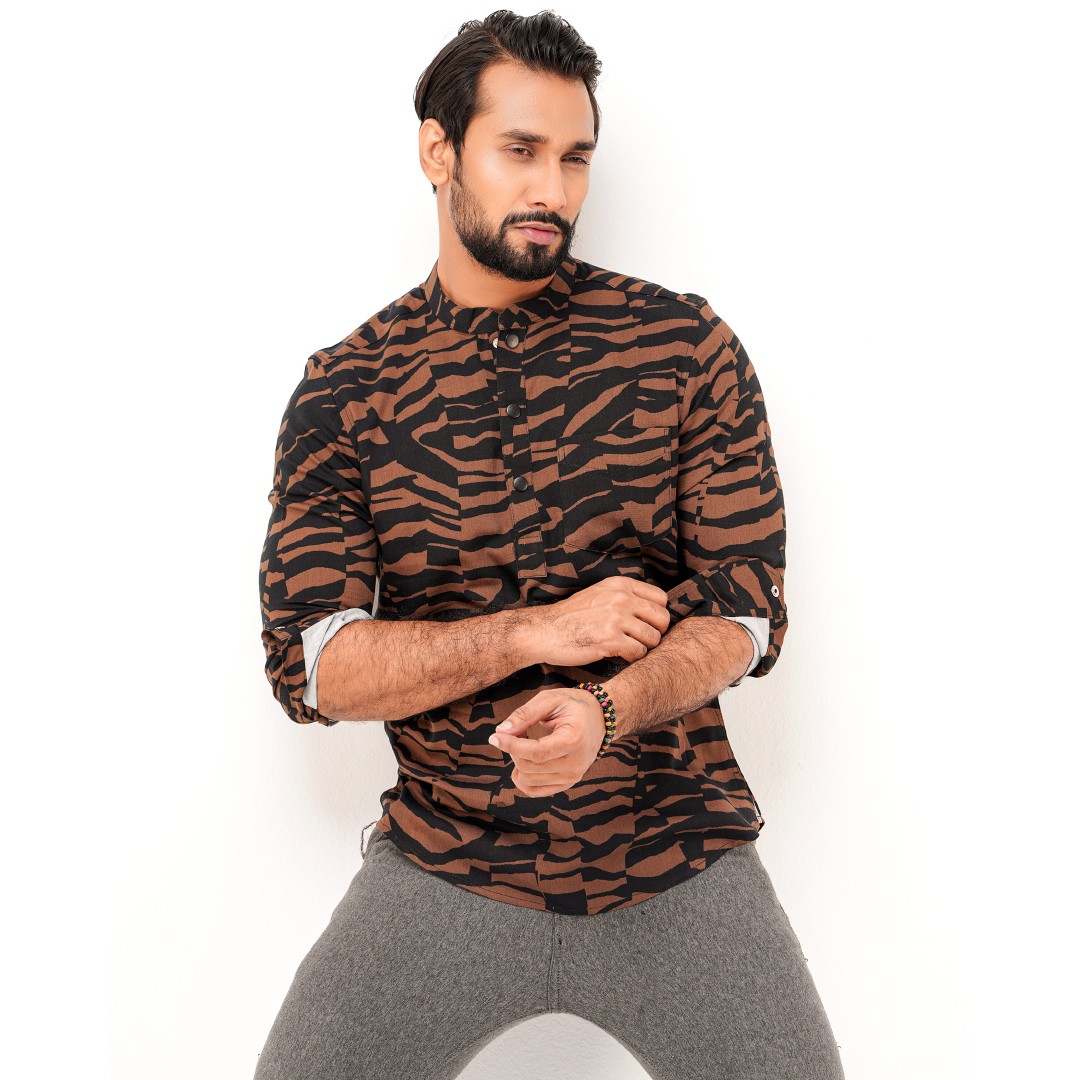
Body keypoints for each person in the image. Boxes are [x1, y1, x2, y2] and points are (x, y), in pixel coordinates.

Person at [254, 10, 845, 1079]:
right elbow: (315, 667)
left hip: (676, 851)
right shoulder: (345, 391)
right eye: (519, 150)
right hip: (447, 858)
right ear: (439, 150)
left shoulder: (684, 347)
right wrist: (536, 632)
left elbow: (747, 615)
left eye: (575, 157)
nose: (553, 190)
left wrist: (607, 710)